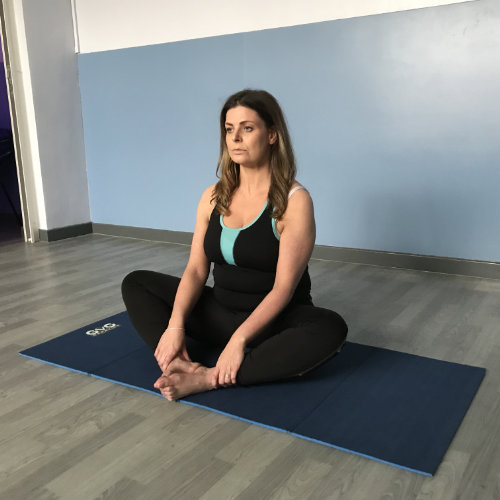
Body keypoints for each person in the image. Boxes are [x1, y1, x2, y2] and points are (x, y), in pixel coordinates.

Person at [121, 89, 348, 401]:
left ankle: (210, 378)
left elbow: (283, 289)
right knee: (137, 284)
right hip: (220, 313)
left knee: (329, 328)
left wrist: (239, 340)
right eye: (229, 129)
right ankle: (178, 365)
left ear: (272, 135)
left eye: (248, 128)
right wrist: (174, 327)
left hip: (274, 323)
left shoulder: (294, 202)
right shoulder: (213, 196)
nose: (235, 138)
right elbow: (197, 270)